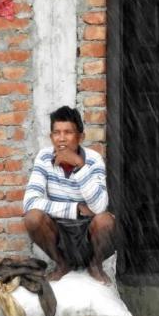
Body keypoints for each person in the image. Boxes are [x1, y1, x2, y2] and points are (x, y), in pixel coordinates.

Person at [22, 106, 115, 284]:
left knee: (106, 220)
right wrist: (75, 209)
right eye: (56, 133)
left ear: (81, 137)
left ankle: (95, 265)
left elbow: (99, 207)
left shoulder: (93, 159)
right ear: (51, 137)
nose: (62, 138)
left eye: (68, 132)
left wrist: (80, 166)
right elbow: (30, 203)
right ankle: (61, 264)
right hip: (59, 230)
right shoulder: (44, 157)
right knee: (32, 218)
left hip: (88, 230)